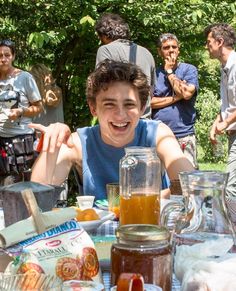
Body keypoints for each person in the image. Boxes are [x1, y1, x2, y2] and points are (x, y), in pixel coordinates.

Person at [30, 60, 194, 200]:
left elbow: (189, 185)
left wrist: (138, 202)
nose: (120, 115)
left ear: (142, 108)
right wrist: (51, 147)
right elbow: (36, 200)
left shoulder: (157, 133)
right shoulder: (80, 142)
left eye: (129, 104)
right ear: (93, 108)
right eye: (109, 104)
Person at [151, 33, 199, 169]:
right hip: (159, 134)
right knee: (160, 180)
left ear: (179, 49)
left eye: (174, 47)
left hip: (184, 134)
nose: (171, 50)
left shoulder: (189, 69)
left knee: (186, 180)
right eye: (166, 47)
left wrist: (170, 72)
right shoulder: (154, 73)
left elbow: (186, 93)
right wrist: (176, 98)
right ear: (159, 51)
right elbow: (148, 102)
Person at [95, 13, 156, 119]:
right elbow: (151, 91)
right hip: (144, 119)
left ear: (104, 36)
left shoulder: (105, 50)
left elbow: (101, 86)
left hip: (120, 120)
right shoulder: (147, 53)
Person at [0, 39, 42, 185]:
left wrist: (21, 111)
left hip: (21, 141)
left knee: (22, 186)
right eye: (0, 56)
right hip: (1, 141)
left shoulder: (25, 78)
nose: (3, 59)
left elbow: (38, 107)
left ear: (13, 56)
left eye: (7, 55)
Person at [205, 23, 236, 197]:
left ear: (220, 42)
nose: (206, 46)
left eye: (209, 42)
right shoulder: (224, 67)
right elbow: (229, 103)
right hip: (233, 133)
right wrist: (216, 123)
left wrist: (225, 122)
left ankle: (230, 224)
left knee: (231, 188)